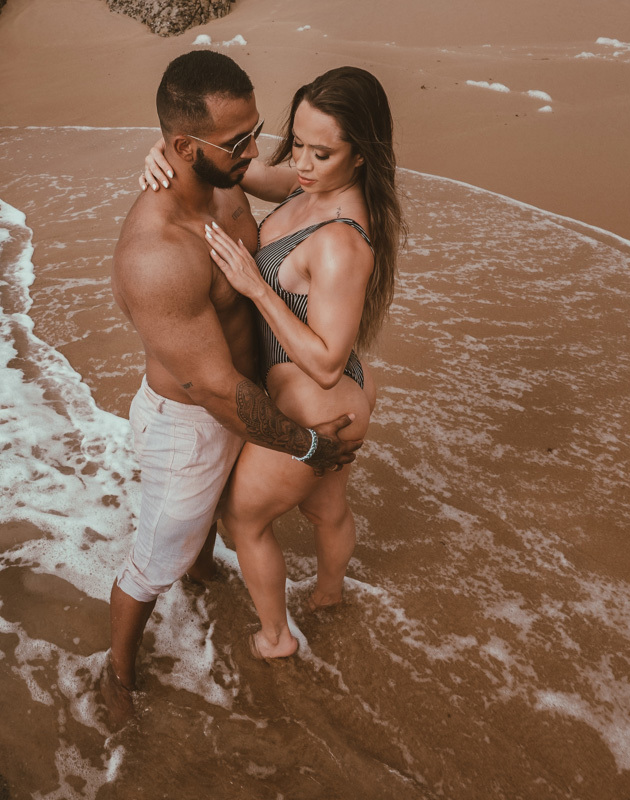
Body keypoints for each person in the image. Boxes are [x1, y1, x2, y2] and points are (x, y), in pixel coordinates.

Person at [106, 51, 363, 722]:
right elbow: (219, 390)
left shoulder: (224, 178)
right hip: (189, 424)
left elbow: (303, 188)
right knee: (151, 564)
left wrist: (192, 152)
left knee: (215, 522)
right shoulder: (157, 252)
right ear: (186, 146)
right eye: (239, 141)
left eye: (255, 131)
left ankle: (202, 570)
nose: (256, 153)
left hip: (242, 406)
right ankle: (118, 675)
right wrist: (306, 446)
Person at [141, 66, 403, 659]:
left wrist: (255, 287)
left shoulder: (341, 241)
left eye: (321, 152)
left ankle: (276, 638)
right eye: (297, 143)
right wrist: (162, 150)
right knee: (326, 505)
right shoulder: (310, 184)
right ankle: (330, 596)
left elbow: (330, 362)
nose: (302, 163)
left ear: (359, 156)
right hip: (333, 397)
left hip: (320, 393)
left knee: (241, 517)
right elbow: (227, 162)